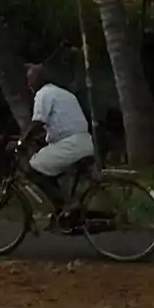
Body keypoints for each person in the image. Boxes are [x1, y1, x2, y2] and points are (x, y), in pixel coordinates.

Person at [21, 63, 95, 225]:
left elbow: (38, 122)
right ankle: (61, 212)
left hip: (70, 146)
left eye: (30, 80)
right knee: (47, 167)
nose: (29, 85)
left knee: (31, 168)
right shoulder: (63, 93)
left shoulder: (43, 94)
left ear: (39, 79)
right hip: (84, 142)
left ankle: (66, 205)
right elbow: (58, 123)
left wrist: (21, 142)